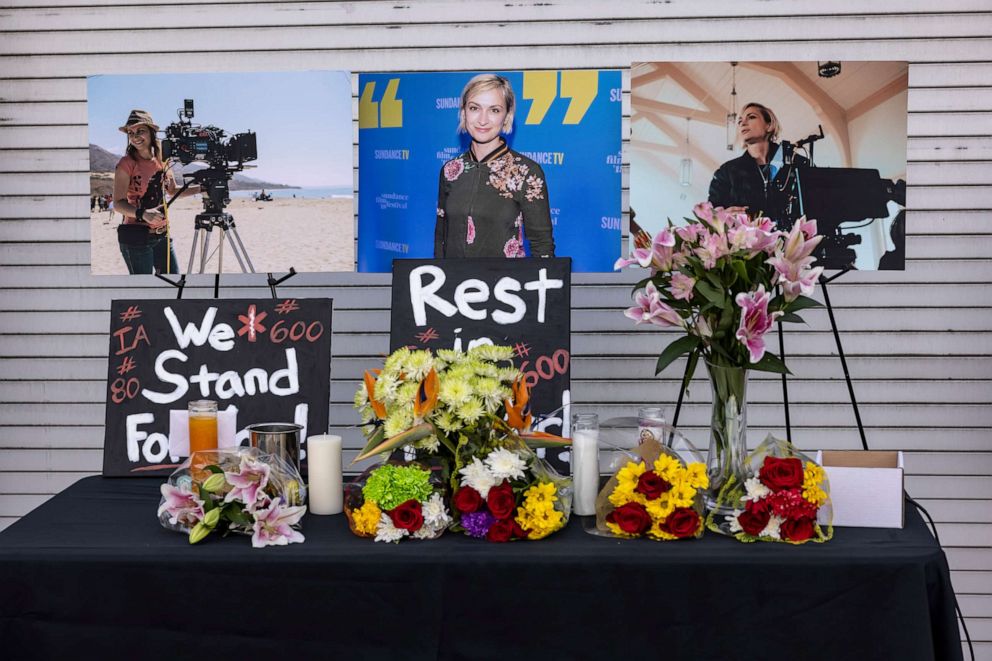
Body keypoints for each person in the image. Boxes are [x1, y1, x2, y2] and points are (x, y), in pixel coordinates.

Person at [435, 74, 555, 259]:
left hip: (506, 285)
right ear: (463, 112)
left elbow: (542, 247)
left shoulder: (526, 172)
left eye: (494, 110)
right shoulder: (451, 171)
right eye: (475, 108)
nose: (483, 120)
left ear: (507, 116)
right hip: (455, 285)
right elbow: (441, 239)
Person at [112, 109, 195, 274]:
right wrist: (143, 213)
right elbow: (118, 204)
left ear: (151, 132)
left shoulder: (163, 160)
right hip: (137, 238)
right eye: (131, 132)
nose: (135, 136)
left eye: (140, 131)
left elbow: (173, 191)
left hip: (163, 236)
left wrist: (203, 187)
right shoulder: (126, 163)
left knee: (173, 283)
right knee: (145, 292)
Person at [708, 102, 805, 229]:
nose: (743, 123)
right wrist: (723, 216)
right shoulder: (726, 172)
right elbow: (710, 215)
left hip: (791, 244)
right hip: (747, 246)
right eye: (740, 121)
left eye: (751, 117)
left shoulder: (797, 163)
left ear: (769, 125)